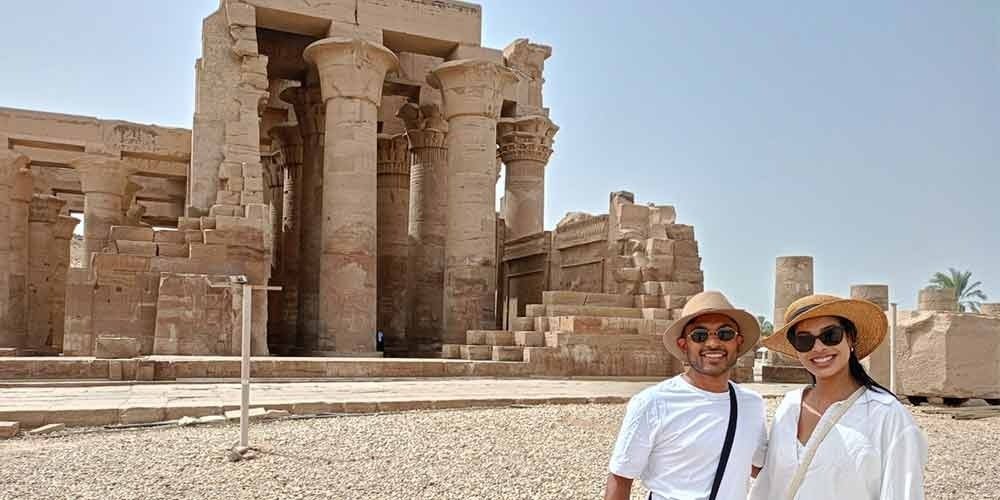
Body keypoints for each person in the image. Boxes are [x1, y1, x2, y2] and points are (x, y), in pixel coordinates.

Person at [750, 294, 927, 499]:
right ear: (796, 349)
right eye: (804, 340)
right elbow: (770, 483)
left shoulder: (887, 415)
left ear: (850, 338)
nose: (818, 347)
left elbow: (903, 492)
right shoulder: (788, 407)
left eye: (830, 335)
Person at [605, 291, 767, 500]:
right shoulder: (653, 402)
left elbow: (757, 465)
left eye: (724, 334)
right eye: (700, 335)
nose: (712, 343)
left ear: (738, 342)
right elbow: (620, 478)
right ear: (684, 345)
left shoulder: (751, 404)